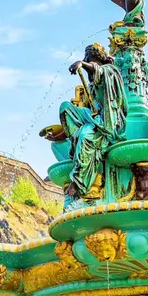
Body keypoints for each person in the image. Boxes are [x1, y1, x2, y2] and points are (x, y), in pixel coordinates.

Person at [59, 43, 128, 200]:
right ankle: (76, 139)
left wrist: (83, 65)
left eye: (91, 59)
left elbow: (101, 72)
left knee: (86, 134)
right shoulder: (92, 84)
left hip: (109, 120)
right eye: (88, 59)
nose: (89, 61)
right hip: (94, 117)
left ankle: (79, 182)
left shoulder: (111, 70)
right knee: (66, 108)